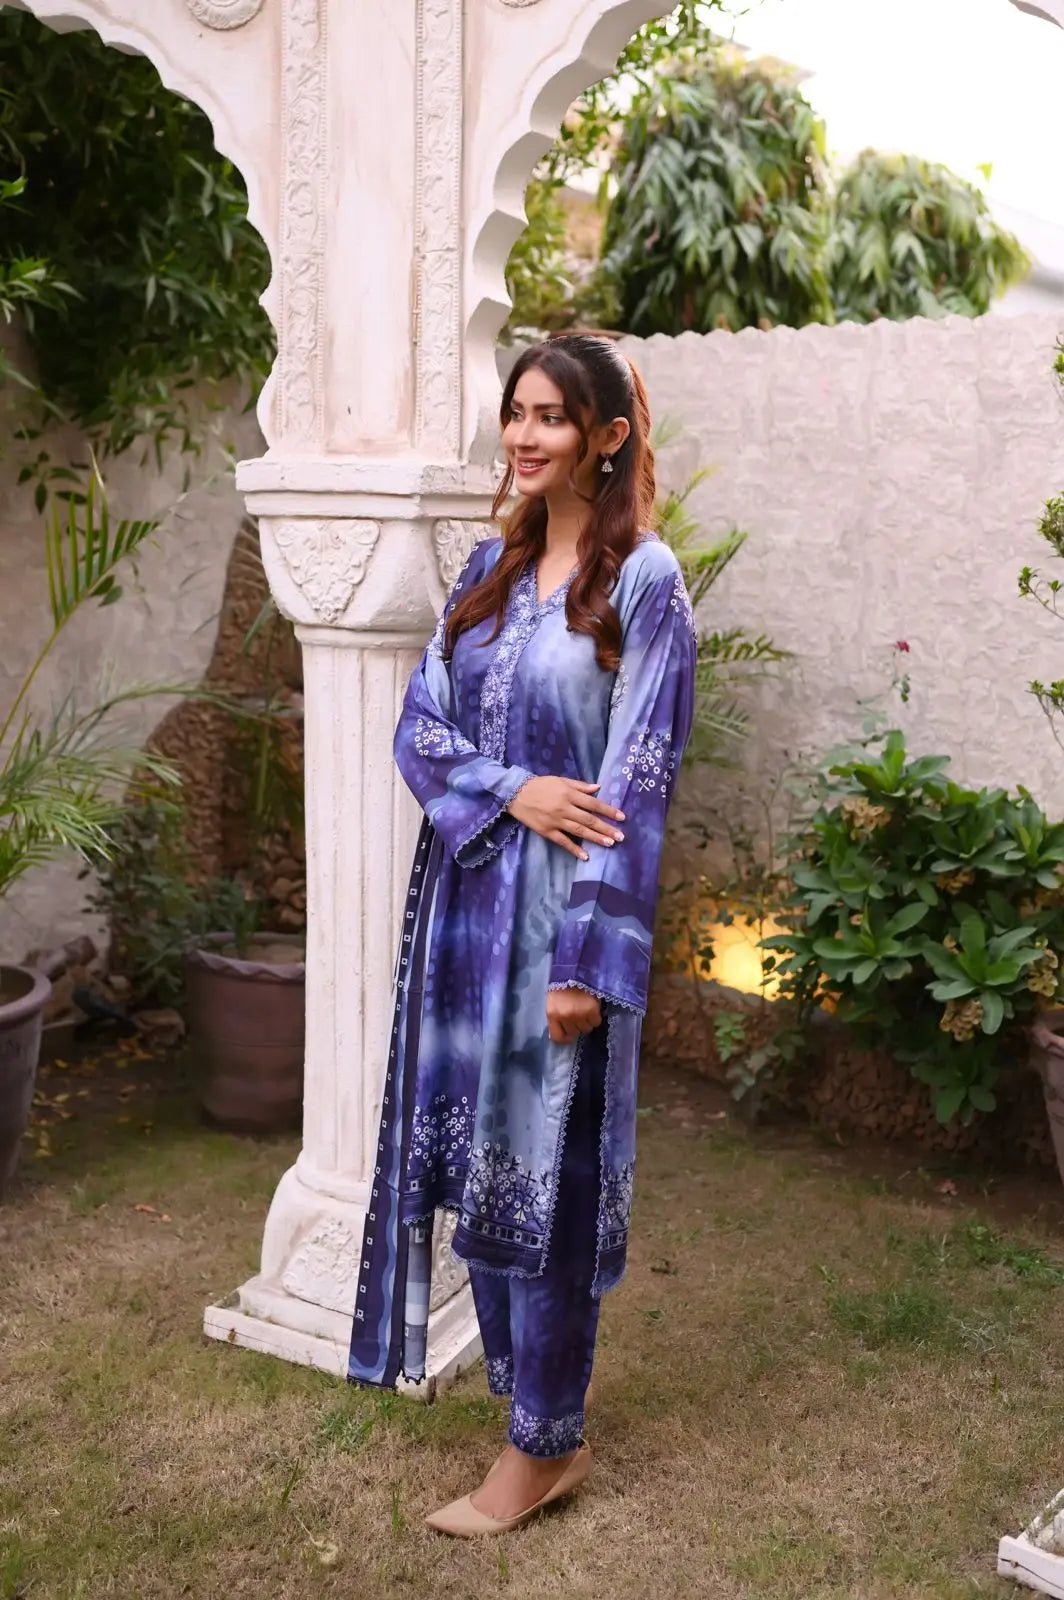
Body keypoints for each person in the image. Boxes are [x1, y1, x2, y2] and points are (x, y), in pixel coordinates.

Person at [348, 332, 697, 1536]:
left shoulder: (644, 583)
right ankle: (529, 1413)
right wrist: (516, 790)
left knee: (547, 1184)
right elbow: (419, 729)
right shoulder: (486, 572)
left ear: (607, 435)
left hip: (560, 932)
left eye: (551, 415)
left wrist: (588, 966)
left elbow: (637, 779)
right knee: (481, 1176)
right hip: (466, 920)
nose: (524, 434)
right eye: (516, 412)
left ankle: (543, 1445)